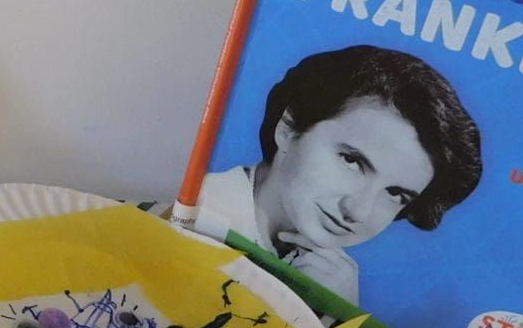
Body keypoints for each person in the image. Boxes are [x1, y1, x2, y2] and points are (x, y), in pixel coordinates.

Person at [195, 45, 482, 303]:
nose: (358, 211)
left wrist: (337, 318)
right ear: (288, 128)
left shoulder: (336, 283)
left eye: (395, 193)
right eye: (352, 161)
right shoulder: (197, 211)